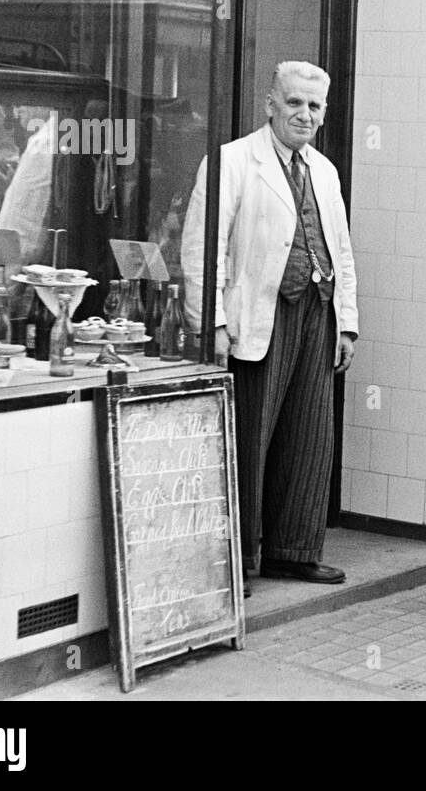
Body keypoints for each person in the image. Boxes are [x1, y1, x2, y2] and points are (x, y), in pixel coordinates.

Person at [181, 61, 357, 593]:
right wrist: (209, 320)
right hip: (259, 312)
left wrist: (346, 322)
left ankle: (293, 550)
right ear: (270, 104)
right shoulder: (232, 161)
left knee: (310, 435)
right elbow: (200, 247)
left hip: (316, 312)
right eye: (295, 103)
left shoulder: (323, 171)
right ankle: (238, 557)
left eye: (315, 106)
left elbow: (341, 251)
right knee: (251, 437)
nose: (305, 114)